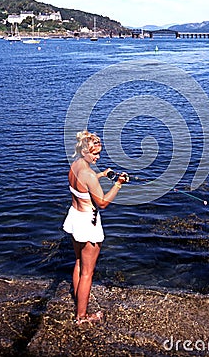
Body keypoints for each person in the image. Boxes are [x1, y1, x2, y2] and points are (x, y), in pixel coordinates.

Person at [63, 130, 127, 324]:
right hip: (88, 223)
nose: (97, 157)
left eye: (99, 153)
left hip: (75, 218)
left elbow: (85, 184)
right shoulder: (88, 174)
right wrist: (118, 184)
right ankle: (82, 316)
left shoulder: (75, 166)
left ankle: (78, 299)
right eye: (94, 154)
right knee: (87, 273)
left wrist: (102, 174)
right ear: (84, 151)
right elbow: (103, 203)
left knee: (78, 263)